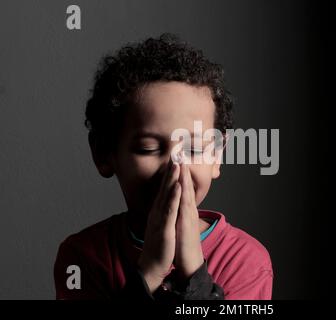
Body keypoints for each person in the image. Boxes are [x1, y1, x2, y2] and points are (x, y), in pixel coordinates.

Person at [54, 34, 273, 300]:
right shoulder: (82, 256)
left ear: (217, 155)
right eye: (148, 148)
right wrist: (149, 272)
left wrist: (194, 275)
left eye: (194, 149)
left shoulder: (245, 261)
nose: (175, 168)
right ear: (103, 152)